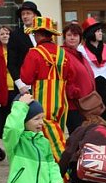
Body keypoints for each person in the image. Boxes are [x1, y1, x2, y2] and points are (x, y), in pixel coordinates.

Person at [19, 17, 92, 165]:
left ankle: (66, 169)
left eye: (34, 34)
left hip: (44, 103)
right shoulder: (62, 53)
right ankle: (49, 168)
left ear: (38, 34)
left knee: (54, 141)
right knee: (55, 135)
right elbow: (71, 76)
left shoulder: (35, 53)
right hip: (61, 103)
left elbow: (26, 77)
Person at [78, 18, 106, 129]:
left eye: (101, 31)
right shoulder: (81, 50)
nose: (101, 33)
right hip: (92, 87)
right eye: (97, 31)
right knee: (93, 115)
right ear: (90, 33)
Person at [61, 21, 97, 134]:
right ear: (64, 37)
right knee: (78, 135)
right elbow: (64, 77)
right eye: (69, 35)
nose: (72, 38)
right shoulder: (62, 54)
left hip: (86, 104)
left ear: (80, 38)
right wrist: (74, 93)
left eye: (75, 35)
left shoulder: (79, 54)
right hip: (74, 105)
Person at [8, 1, 41, 94]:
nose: (25, 16)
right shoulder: (15, 35)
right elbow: (11, 63)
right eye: (23, 14)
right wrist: (20, 85)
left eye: (28, 13)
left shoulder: (42, 33)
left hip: (42, 84)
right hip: (24, 86)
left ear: (35, 15)